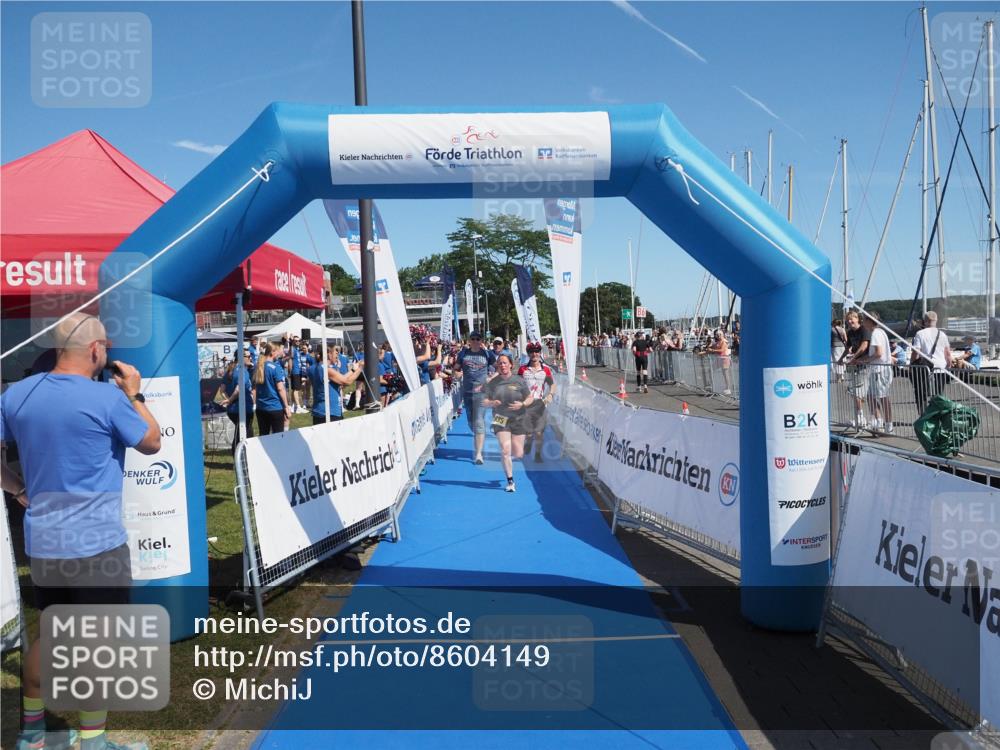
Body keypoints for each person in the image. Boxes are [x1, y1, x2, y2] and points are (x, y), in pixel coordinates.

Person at [1, 312, 161, 750]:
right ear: (95, 350)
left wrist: (16, 489)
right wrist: (135, 393)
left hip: (44, 542)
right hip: (97, 545)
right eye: (106, 346)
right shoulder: (106, 399)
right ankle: (93, 740)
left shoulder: (16, 395)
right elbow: (151, 441)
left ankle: (32, 734)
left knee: (53, 634)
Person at [482, 354, 534, 492]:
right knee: (505, 451)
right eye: (500, 363)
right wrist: (492, 402)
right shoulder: (493, 383)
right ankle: (510, 481)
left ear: (511, 364)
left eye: (505, 363)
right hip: (500, 418)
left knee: (518, 453)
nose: (502, 365)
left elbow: (530, 397)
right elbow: (484, 401)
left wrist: (522, 404)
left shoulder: (519, 380)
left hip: (518, 418)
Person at [454, 331, 497, 464]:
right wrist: (457, 374)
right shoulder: (463, 353)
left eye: (478, 339)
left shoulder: (487, 353)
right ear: (469, 340)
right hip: (467, 391)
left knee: (478, 421)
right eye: (473, 338)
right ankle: (479, 433)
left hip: (482, 392)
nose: (475, 341)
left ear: (481, 340)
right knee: (471, 422)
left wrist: (490, 379)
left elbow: (499, 368)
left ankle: (478, 454)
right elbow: (455, 368)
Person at [518, 342, 556, 461]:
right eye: (532, 352)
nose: (534, 354)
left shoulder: (546, 369)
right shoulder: (523, 368)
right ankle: (528, 442)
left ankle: (538, 455)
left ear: (540, 353)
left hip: (540, 404)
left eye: (537, 351)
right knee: (529, 433)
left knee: (539, 432)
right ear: (528, 354)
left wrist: (550, 394)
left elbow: (552, 384)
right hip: (526, 404)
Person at [308, 345, 362, 425]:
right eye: (335, 352)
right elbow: (347, 381)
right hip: (330, 412)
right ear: (328, 355)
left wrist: (353, 370)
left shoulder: (313, 368)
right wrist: (361, 368)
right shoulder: (326, 370)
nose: (337, 355)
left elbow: (341, 379)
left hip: (319, 411)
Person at [910, 311, 952, 413]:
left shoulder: (920, 333)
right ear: (936, 320)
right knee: (938, 395)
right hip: (940, 368)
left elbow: (916, 351)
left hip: (924, 368)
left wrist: (912, 364)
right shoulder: (942, 334)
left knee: (921, 393)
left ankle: (923, 416)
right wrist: (949, 367)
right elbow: (948, 354)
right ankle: (937, 416)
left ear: (925, 321)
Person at [838, 310, 871, 429]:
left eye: (852, 319)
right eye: (848, 320)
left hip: (865, 364)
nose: (850, 321)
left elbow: (864, 346)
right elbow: (848, 348)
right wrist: (841, 358)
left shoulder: (864, 330)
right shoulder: (850, 332)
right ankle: (859, 416)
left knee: (857, 392)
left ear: (858, 319)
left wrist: (854, 357)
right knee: (853, 392)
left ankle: (861, 417)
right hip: (855, 365)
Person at [219, 350, 255, 453]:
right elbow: (239, 389)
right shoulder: (242, 371)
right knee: (242, 435)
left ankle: (244, 459)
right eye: (248, 356)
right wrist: (230, 400)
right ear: (241, 357)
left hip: (233, 410)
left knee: (245, 433)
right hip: (243, 409)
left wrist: (228, 400)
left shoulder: (230, 370)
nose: (250, 358)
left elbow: (222, 390)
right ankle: (239, 459)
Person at [864, 313, 894, 434]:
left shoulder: (876, 333)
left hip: (879, 370)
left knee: (881, 397)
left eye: (864, 320)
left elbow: (879, 353)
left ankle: (886, 424)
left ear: (870, 321)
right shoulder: (881, 332)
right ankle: (880, 421)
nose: (863, 322)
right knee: (872, 396)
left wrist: (864, 360)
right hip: (882, 369)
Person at [253, 341, 291, 435]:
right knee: (278, 437)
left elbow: (254, 388)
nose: (280, 353)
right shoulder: (275, 367)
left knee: (263, 436)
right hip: (275, 408)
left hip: (261, 408)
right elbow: (280, 388)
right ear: (273, 352)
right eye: (279, 351)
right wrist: (286, 406)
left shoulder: (258, 366)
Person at [831, 318, 848, 383]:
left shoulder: (832, 330)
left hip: (835, 347)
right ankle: (842, 375)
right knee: (842, 360)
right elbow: (846, 339)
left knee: (837, 361)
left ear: (834, 323)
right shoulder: (843, 329)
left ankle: (839, 378)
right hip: (842, 347)